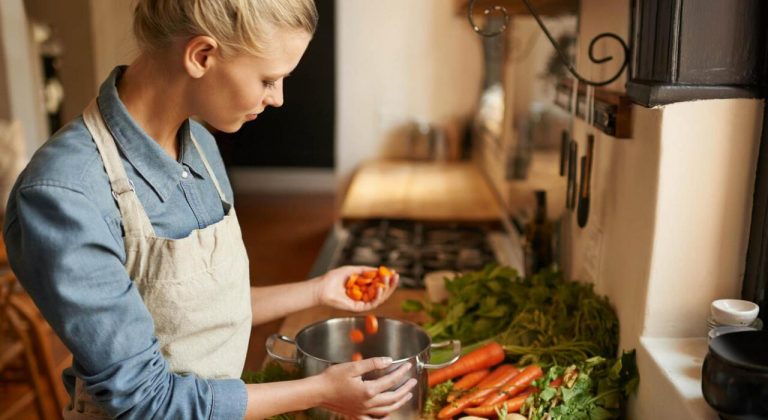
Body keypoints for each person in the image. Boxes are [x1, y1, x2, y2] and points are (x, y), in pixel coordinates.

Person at [2, 0, 416, 418]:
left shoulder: (200, 145)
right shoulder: (64, 194)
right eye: (269, 79)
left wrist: (318, 290)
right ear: (201, 55)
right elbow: (146, 402)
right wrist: (319, 391)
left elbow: (197, 312)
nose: (279, 99)